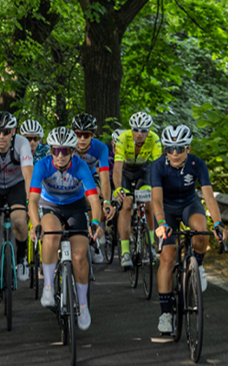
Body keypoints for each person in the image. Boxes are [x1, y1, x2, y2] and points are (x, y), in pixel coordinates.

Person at [151, 125, 224, 334]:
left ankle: (197, 266)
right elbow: (156, 199)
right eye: (170, 149)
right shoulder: (158, 166)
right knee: (167, 256)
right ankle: (165, 313)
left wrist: (218, 223)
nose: (174, 153)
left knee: (201, 231)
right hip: (165, 209)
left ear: (188, 148)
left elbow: (208, 196)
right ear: (165, 150)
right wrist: (161, 223)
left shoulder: (197, 164)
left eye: (180, 148)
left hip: (189, 204)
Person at [29, 127, 102, 331]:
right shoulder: (42, 165)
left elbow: (94, 199)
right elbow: (33, 200)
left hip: (75, 207)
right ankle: (49, 287)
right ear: (51, 151)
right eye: (56, 151)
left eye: (65, 151)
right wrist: (36, 224)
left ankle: (83, 305)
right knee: (51, 236)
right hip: (50, 205)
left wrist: (95, 222)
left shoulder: (80, 167)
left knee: (79, 257)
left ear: (73, 152)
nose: (60, 156)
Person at [0, 111, 34, 289]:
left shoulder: (22, 143)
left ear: (14, 131)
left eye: (6, 131)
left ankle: (21, 258)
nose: (1, 136)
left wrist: (30, 203)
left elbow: (28, 176)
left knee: (19, 220)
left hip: (15, 186)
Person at [113, 112, 162, 269]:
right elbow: (117, 168)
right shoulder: (123, 138)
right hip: (126, 173)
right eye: (136, 130)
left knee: (149, 204)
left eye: (143, 130)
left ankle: (151, 246)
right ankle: (125, 252)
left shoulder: (154, 139)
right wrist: (118, 188)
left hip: (144, 172)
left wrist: (158, 188)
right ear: (131, 129)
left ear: (149, 130)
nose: (139, 134)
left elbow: (158, 166)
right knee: (126, 205)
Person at [70, 113, 116, 263]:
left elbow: (104, 177)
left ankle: (93, 240)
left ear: (93, 134)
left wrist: (107, 201)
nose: (82, 139)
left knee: (96, 198)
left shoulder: (100, 148)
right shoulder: (67, 146)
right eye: (78, 134)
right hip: (70, 178)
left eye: (86, 134)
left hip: (90, 176)